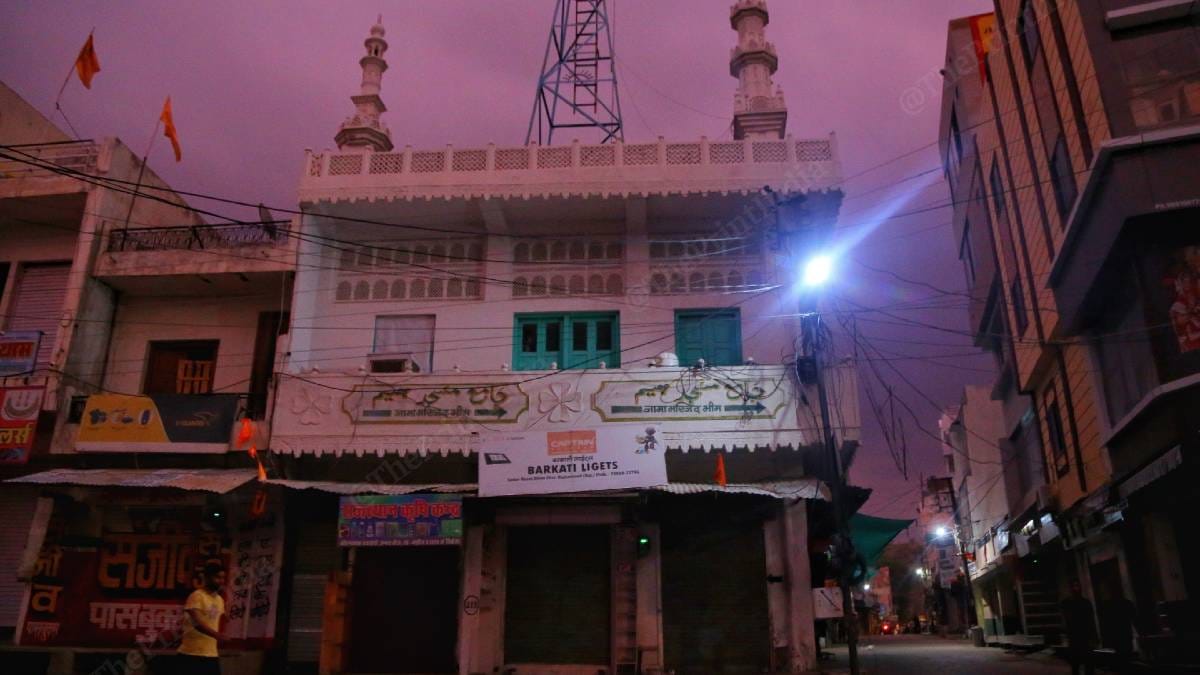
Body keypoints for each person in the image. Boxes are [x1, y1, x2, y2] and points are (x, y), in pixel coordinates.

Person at [178, 561, 226, 675]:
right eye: (217, 577)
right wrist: (217, 635)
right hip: (192, 654)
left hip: (211, 653)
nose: (221, 581)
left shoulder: (219, 599)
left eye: (222, 578)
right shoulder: (197, 596)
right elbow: (196, 623)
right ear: (207, 578)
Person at [1061, 580, 1098, 675]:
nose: (1076, 588)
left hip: (1085, 636)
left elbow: (1090, 620)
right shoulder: (1066, 603)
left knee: (1088, 662)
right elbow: (1065, 619)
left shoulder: (1085, 603)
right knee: (1076, 663)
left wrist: (1094, 636)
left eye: (1077, 586)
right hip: (1074, 636)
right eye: (1074, 586)